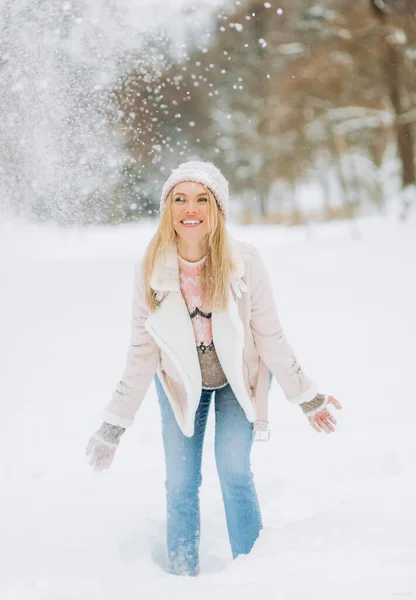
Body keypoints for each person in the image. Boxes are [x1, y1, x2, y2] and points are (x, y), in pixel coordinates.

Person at [86, 160, 342, 577]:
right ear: (168, 208)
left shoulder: (246, 262)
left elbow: (271, 336)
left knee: (234, 470)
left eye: (202, 199)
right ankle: (182, 575)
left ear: (218, 209)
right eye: (180, 198)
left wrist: (307, 396)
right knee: (181, 483)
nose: (191, 208)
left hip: (238, 381)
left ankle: (254, 573)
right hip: (180, 384)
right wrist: (114, 424)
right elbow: (141, 352)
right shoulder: (150, 270)